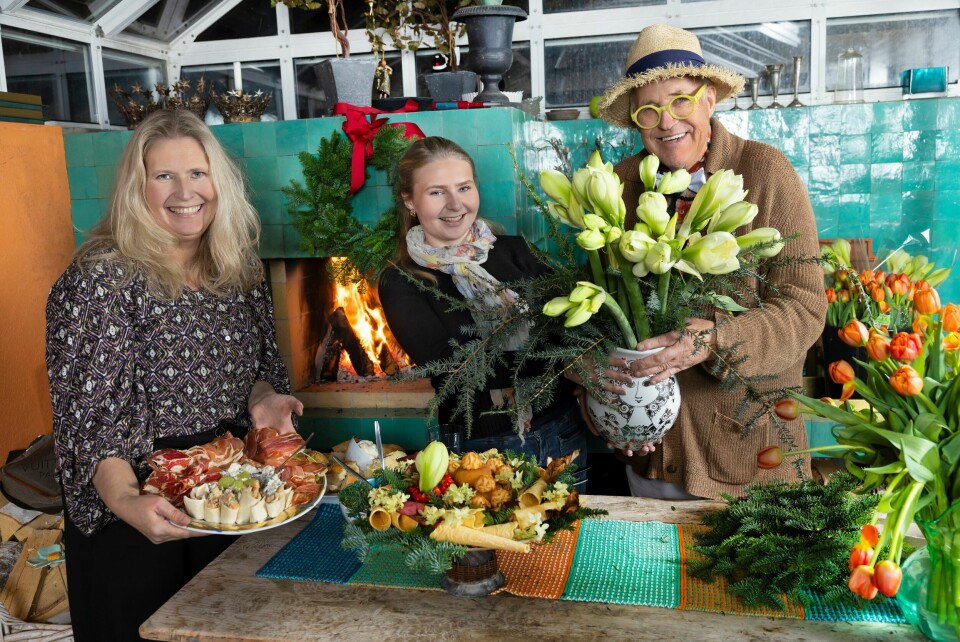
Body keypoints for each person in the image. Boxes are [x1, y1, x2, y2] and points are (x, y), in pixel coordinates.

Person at [46, 109, 303, 641]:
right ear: (136, 189)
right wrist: (125, 500)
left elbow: (257, 372)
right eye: (163, 175)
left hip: (227, 491)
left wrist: (265, 402)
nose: (185, 191)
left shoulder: (237, 266)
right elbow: (90, 419)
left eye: (197, 173)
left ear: (218, 182)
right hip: (136, 501)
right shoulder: (101, 279)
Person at [595, 24, 827, 500]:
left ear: (710, 98)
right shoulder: (619, 184)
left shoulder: (765, 172)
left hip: (746, 457)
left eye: (680, 99)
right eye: (649, 110)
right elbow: (597, 319)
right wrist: (596, 395)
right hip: (651, 454)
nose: (666, 122)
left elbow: (804, 310)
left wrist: (714, 340)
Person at [378, 136, 589, 474]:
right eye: (436, 192)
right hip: (477, 451)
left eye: (464, 188)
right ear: (409, 201)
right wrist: (564, 364)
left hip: (560, 431)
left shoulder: (514, 250)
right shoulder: (402, 281)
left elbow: (572, 320)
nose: (455, 204)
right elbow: (455, 367)